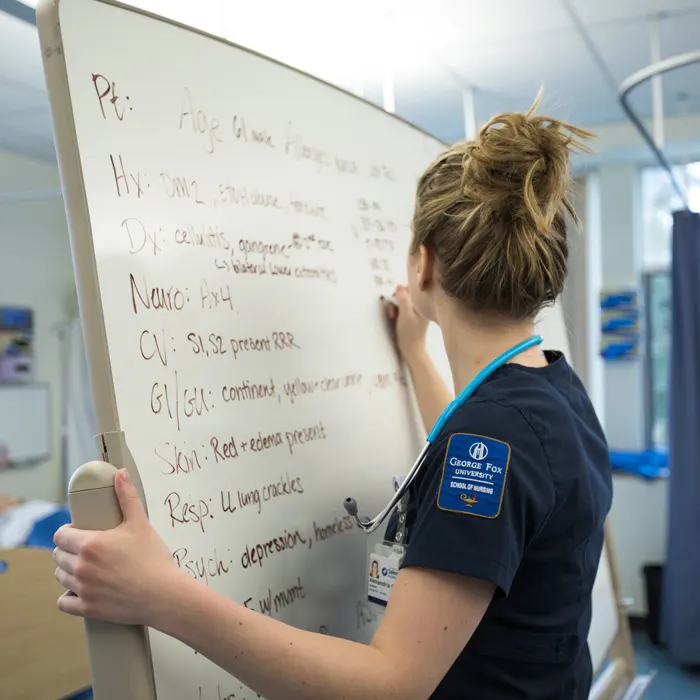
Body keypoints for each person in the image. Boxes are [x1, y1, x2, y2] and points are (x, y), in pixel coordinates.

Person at [52, 97, 612, 700]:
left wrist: (162, 594)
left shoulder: (491, 438)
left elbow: (391, 685)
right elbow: (484, 464)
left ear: (423, 265)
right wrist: (418, 355)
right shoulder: (555, 391)